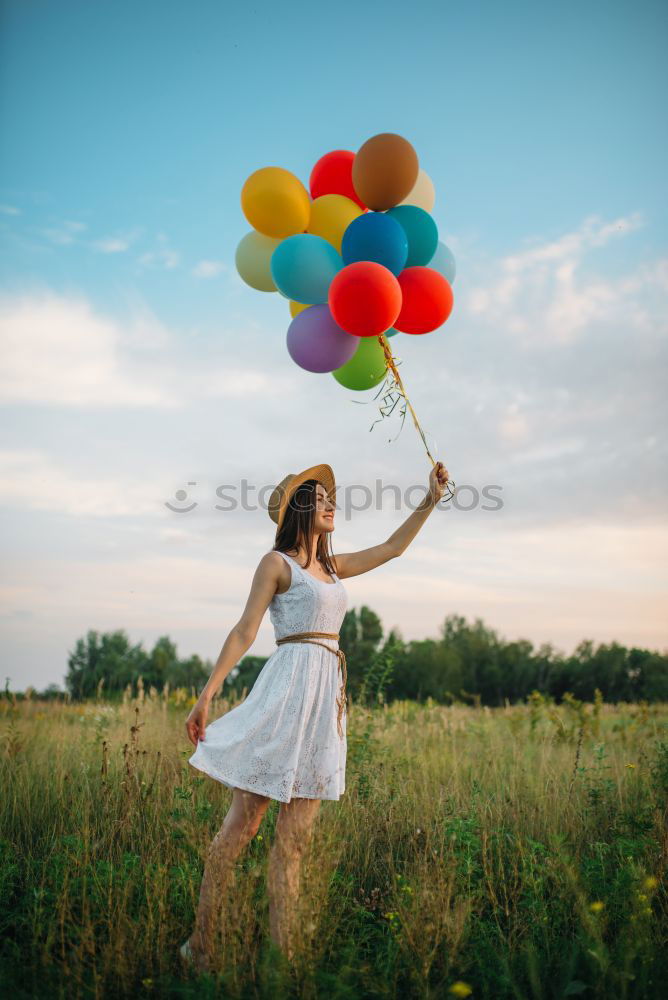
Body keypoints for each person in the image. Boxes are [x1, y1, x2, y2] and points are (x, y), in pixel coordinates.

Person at [180, 460, 449, 971]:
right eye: (321, 498)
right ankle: (202, 943)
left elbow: (391, 548)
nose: (331, 504)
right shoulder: (277, 564)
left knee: (296, 839)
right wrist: (207, 694)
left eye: (331, 497)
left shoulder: (332, 568)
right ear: (299, 508)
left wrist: (430, 499)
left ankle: (281, 961)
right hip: (284, 695)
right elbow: (245, 630)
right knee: (244, 824)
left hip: (324, 704)